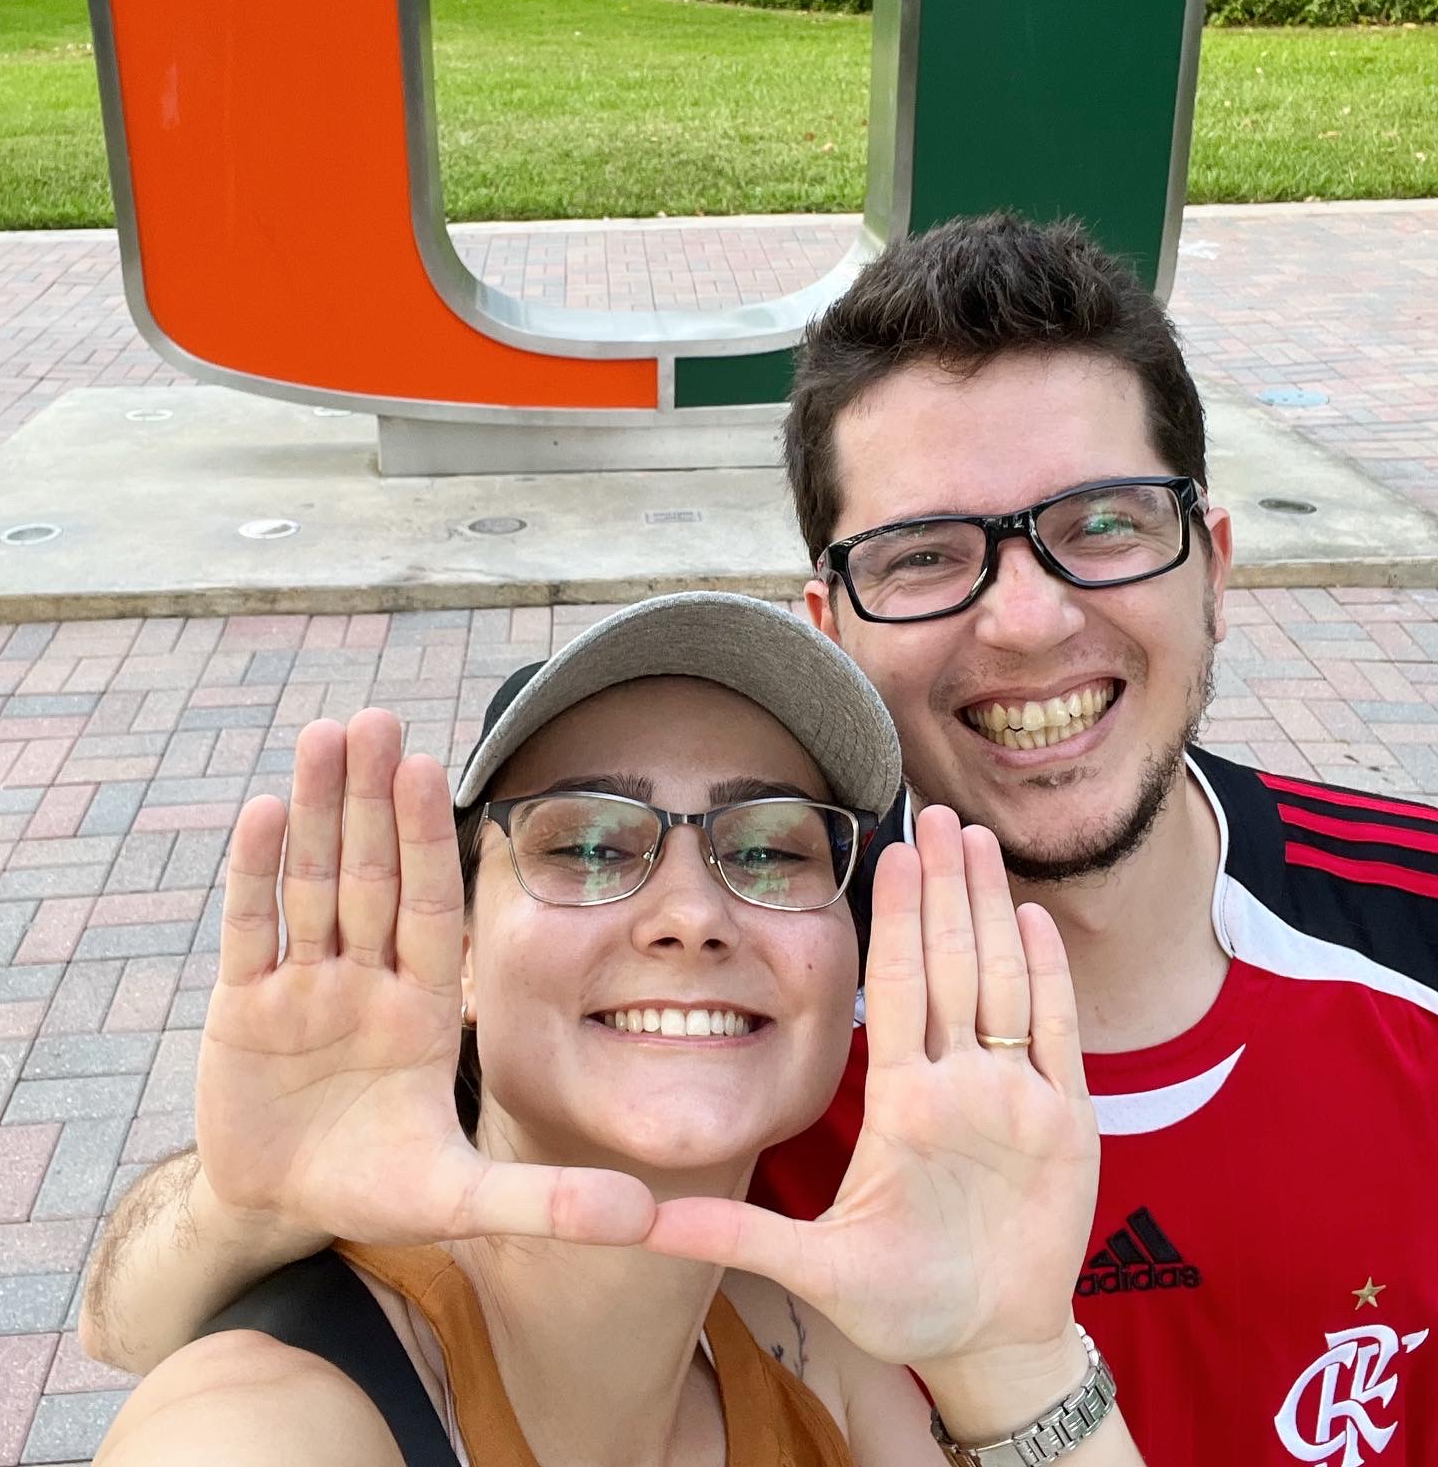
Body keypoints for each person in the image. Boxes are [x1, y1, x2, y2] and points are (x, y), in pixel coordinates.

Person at [82, 215, 1438, 1464]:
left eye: (1103, 527)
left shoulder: (1410, 928)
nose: (1026, 623)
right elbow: (184, 1305)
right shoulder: (746, 1002)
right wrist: (239, 1215)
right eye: (925, 554)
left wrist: (1010, 1368)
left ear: (1213, 561)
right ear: (831, 621)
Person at [89, 591, 1140, 1467]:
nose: (691, 915)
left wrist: (1010, 1360)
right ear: (455, 948)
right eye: (587, 846)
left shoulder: (811, 1354)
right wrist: (237, 1201)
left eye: (773, 851)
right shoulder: (273, 1419)